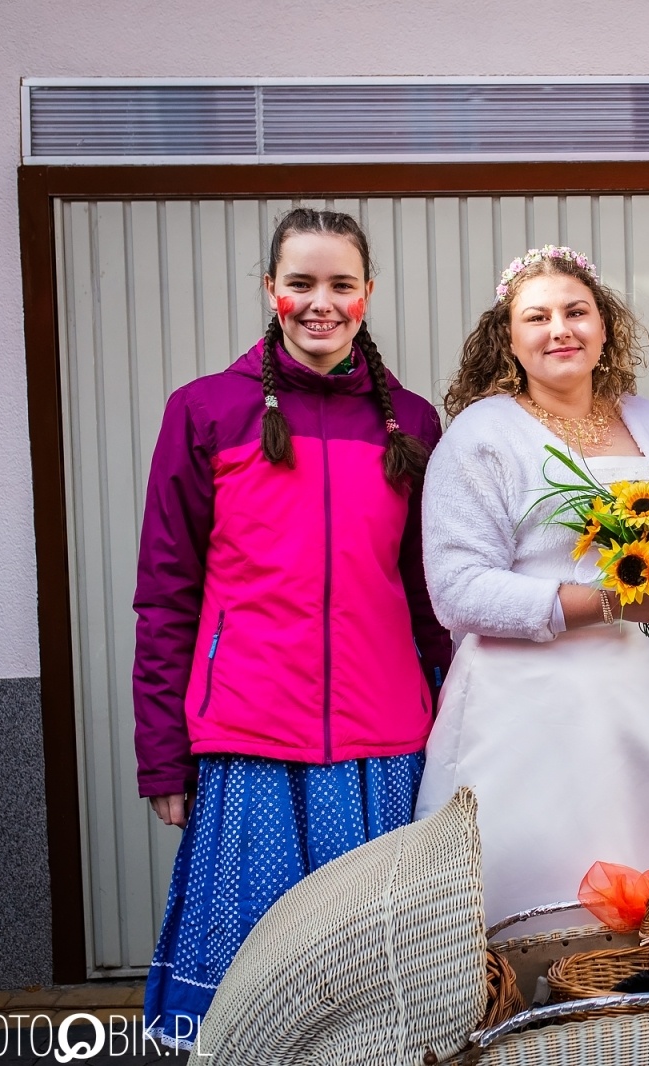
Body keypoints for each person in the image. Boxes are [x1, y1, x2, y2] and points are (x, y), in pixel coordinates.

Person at [132, 208, 451, 1047]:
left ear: (368, 294)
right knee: (253, 978)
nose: (321, 303)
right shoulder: (204, 412)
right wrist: (163, 753)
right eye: (301, 283)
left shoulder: (412, 424)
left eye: (341, 285)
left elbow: (430, 597)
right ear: (271, 290)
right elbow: (165, 597)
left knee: (370, 971)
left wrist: (461, 714)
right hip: (250, 736)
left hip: (381, 745)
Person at [414, 245, 649, 922]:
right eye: (537, 317)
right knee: (533, 878)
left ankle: (648, 1019)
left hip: (641, 697)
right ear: (508, 338)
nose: (560, 329)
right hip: (524, 708)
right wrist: (603, 602)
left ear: (604, 326)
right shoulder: (483, 436)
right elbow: (456, 590)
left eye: (576, 311)